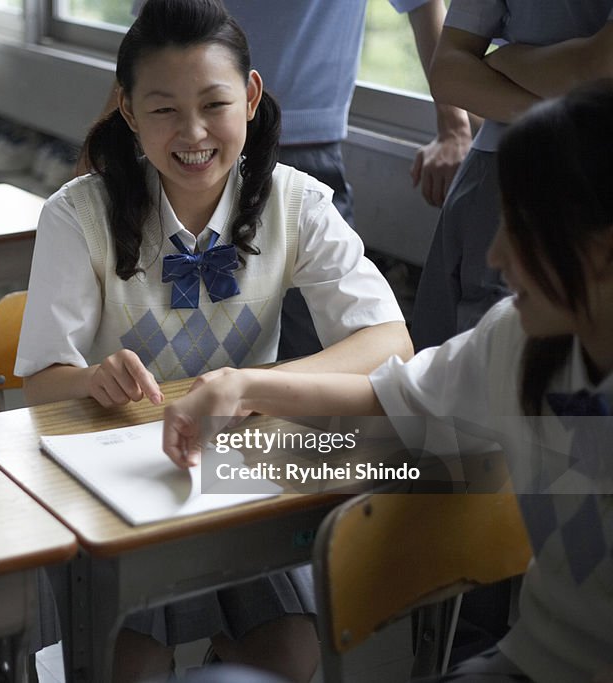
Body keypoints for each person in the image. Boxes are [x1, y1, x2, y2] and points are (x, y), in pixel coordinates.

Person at [163, 79, 613, 683]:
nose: (496, 256)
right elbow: (387, 401)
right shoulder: (519, 339)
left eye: (524, 229)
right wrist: (243, 387)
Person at [16, 1, 413, 680]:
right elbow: (40, 382)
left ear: (251, 97)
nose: (193, 132)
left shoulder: (297, 202)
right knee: (127, 668)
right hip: (120, 484)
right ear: (129, 112)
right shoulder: (78, 214)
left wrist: (258, 386)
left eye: (214, 103)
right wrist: (88, 379)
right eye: (164, 108)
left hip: (238, 475)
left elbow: (390, 340)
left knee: (291, 656)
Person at [80, 0, 473, 360]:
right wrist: (102, 149)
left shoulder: (305, 200)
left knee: (317, 346)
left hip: (307, 145)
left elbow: (381, 342)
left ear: (251, 94)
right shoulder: (91, 198)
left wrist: (455, 125)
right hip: (171, 150)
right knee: (166, 334)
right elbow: (154, 39)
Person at [410, 0, 613, 350]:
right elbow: (447, 73)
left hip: (583, 184)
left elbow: (597, 68)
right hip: (490, 178)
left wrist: (505, 59)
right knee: (449, 362)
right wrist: (559, 116)